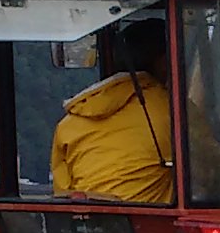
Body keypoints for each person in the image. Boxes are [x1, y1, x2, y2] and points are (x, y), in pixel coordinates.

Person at [50, 16, 174, 201]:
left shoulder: (69, 123)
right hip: (149, 226)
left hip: (85, 225)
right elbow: (210, 174)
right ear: (164, 62)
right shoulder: (175, 113)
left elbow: (63, 192)